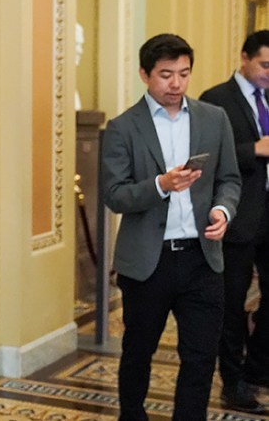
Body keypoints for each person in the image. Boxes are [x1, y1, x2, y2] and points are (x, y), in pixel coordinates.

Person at [101, 33, 241, 421]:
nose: (175, 84)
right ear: (145, 74)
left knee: (199, 356)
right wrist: (161, 184)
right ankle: (132, 415)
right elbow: (114, 195)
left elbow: (229, 178)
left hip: (202, 259)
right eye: (165, 75)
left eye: (183, 73)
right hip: (149, 263)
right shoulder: (123, 127)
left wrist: (222, 212)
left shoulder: (214, 119)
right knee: (138, 353)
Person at [198, 29, 269, 414]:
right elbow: (206, 158)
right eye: (265, 65)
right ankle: (234, 382)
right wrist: (254, 150)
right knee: (231, 304)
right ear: (244, 57)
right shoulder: (216, 100)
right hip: (238, 217)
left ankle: (259, 367)